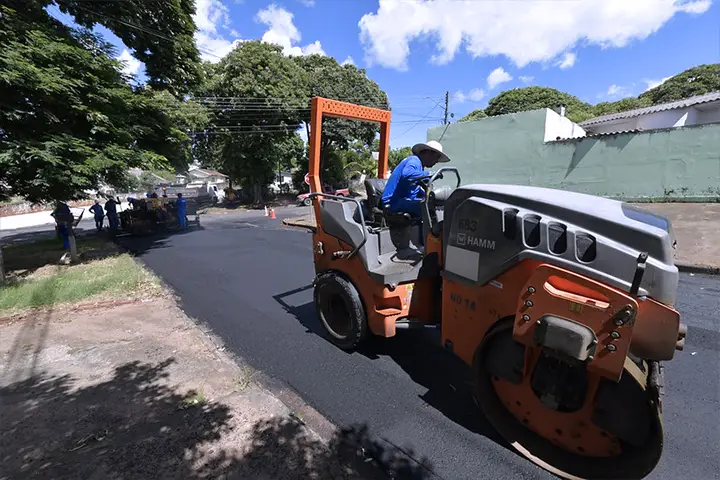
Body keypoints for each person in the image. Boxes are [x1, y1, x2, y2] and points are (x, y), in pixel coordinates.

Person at [381, 140, 450, 218]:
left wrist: (427, 195)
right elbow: (407, 174)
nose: (437, 161)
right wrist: (430, 174)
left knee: (433, 202)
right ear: (428, 153)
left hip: (404, 199)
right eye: (436, 157)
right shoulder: (414, 160)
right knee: (428, 207)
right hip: (393, 202)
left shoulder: (419, 165)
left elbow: (415, 184)